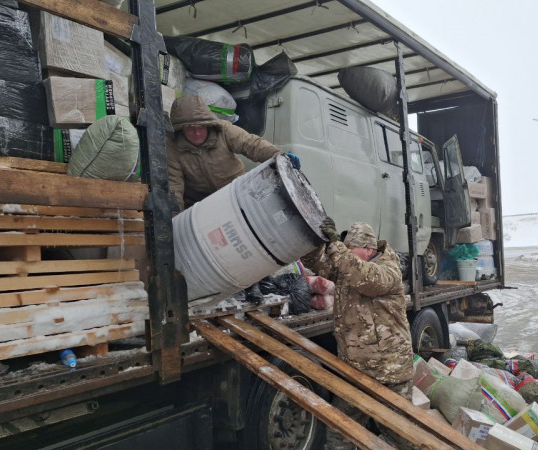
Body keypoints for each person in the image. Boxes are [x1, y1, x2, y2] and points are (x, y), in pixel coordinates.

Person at [302, 219, 415, 450]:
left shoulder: (387, 270)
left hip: (388, 372)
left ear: (369, 250)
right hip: (356, 371)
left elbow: (362, 275)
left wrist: (336, 245)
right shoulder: (348, 268)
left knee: (401, 437)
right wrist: (315, 240)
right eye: (345, 248)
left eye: (350, 249)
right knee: (339, 433)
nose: (346, 253)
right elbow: (321, 263)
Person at [166, 95, 301, 210]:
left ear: (208, 124)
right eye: (190, 128)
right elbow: (174, 186)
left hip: (236, 191)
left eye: (201, 127)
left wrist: (278, 156)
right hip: (201, 203)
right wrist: (174, 218)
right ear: (180, 129)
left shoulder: (224, 130)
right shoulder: (173, 146)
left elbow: (252, 145)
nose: (197, 133)